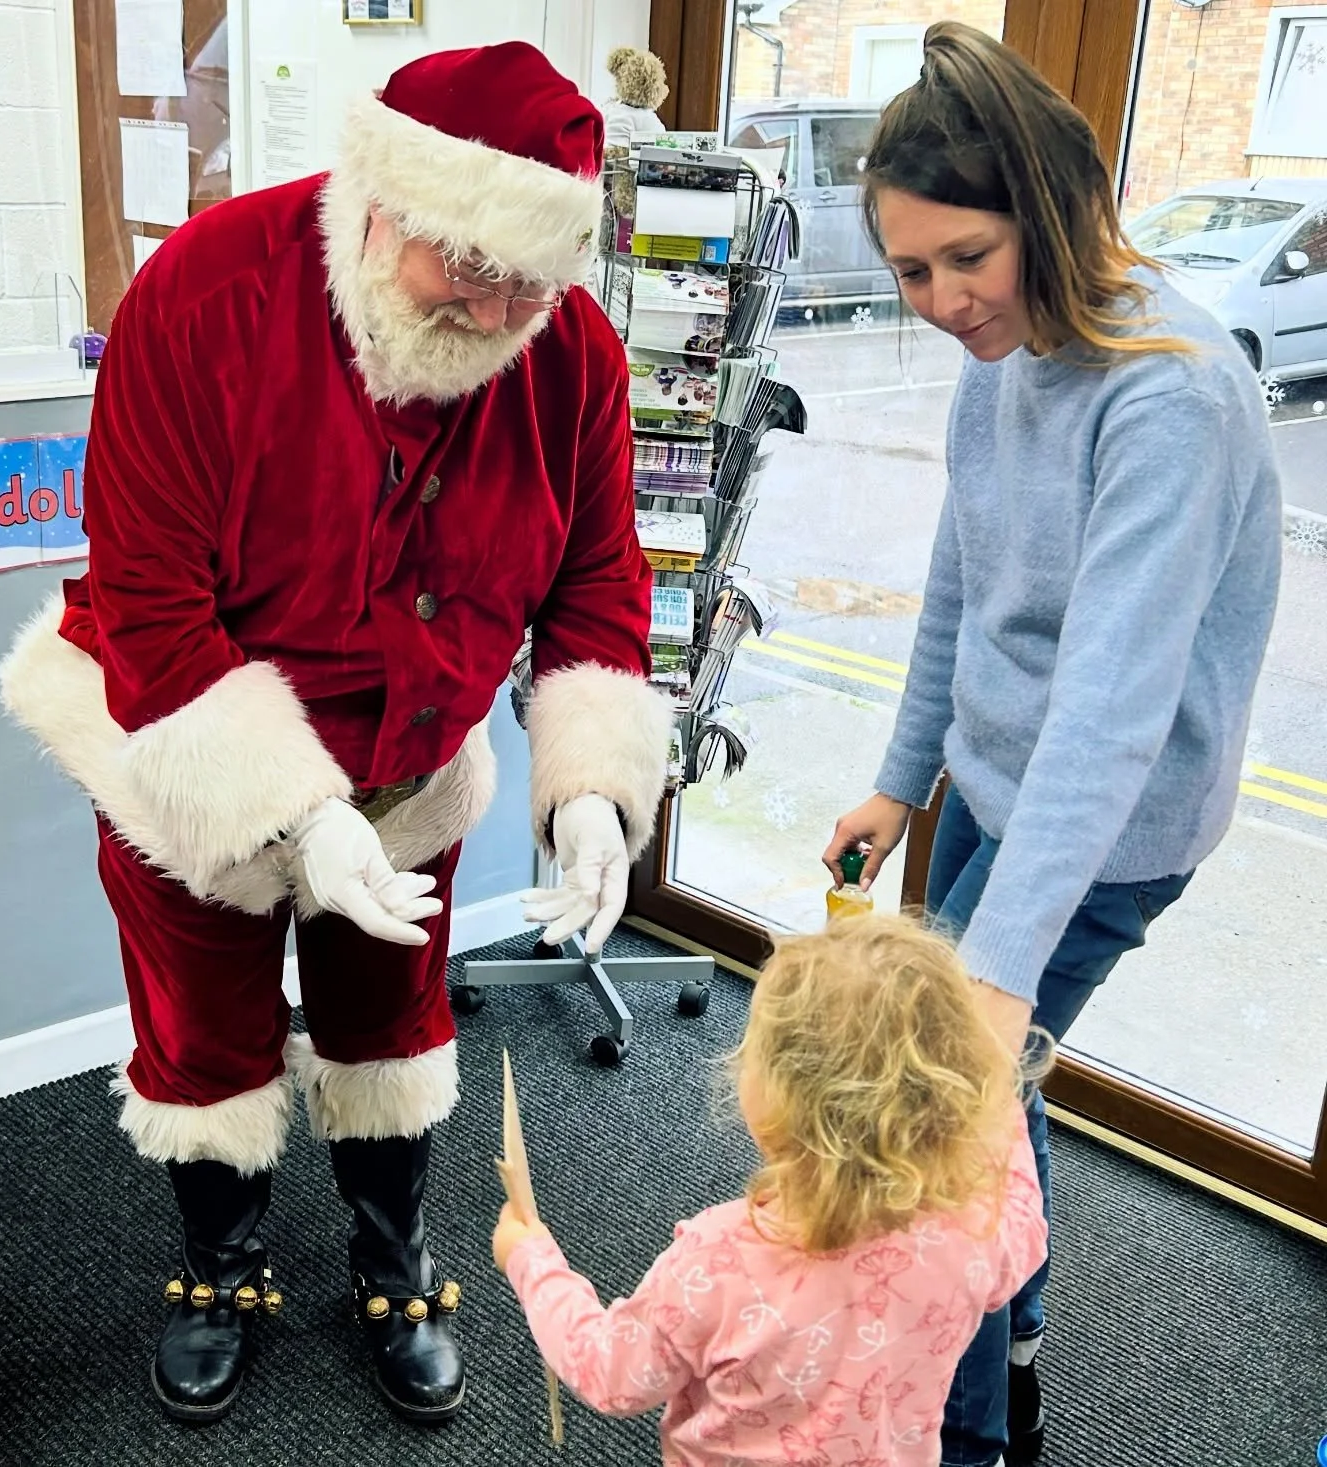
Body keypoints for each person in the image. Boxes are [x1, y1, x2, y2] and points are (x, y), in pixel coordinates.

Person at [0, 41, 672, 1428]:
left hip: (414, 765)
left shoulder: (572, 355)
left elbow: (598, 577)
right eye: (465, 270)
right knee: (203, 1031)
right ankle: (221, 1265)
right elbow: (150, 598)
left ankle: (392, 1259)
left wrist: (593, 790)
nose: (495, 312)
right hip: (187, 753)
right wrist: (296, 816)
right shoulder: (202, 292)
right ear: (384, 202)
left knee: (390, 1021)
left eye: (530, 282)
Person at [821, 22, 1282, 1467]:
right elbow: (963, 583)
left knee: (929, 1145)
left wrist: (997, 975)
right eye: (911, 272)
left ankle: (960, 1440)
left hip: (1110, 824)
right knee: (987, 1115)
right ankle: (1014, 1341)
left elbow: (1111, 713)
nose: (944, 300)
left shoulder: (1171, 395)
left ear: (1054, 207)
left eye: (968, 255)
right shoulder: (1000, 357)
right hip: (992, 790)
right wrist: (905, 775)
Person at [493, 916, 1050, 1467]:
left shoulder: (721, 1258)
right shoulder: (975, 1226)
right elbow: (1025, 1218)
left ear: (776, 1101)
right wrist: (991, 1094)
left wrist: (530, 1257)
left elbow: (610, 1374)